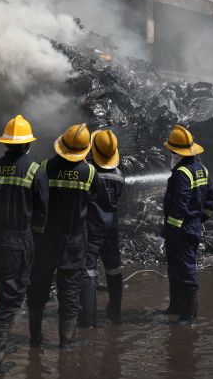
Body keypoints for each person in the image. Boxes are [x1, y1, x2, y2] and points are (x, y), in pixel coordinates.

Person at [0, 114, 48, 376]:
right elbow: (42, 212)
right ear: (28, 144)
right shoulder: (34, 170)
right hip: (17, 240)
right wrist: (34, 240)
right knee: (9, 301)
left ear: (6, 144)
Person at [27, 123, 100, 349]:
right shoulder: (89, 173)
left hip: (45, 239)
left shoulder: (44, 166)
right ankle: (66, 343)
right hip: (74, 242)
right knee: (69, 293)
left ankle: (35, 340)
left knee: (37, 291)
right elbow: (93, 198)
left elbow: (34, 199)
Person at [160, 124, 213, 324]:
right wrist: (201, 219)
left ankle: (189, 316)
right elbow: (210, 200)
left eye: (172, 151)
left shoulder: (182, 173)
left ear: (176, 151)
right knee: (175, 267)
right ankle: (175, 307)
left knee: (186, 268)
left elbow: (180, 205)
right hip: (191, 225)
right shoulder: (202, 170)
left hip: (181, 229)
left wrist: (171, 228)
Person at [79, 129, 125, 327]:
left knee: (88, 271)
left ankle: (88, 320)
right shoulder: (119, 175)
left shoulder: (89, 173)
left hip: (91, 228)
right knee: (113, 269)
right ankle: (115, 312)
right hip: (111, 228)